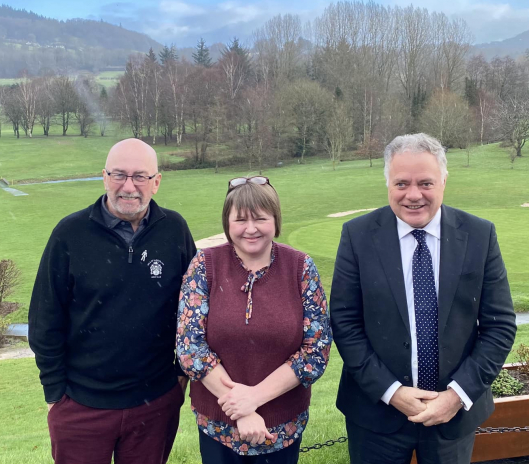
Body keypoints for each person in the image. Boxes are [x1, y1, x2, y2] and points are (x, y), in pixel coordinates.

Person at [330, 133, 517, 464]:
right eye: (401, 183)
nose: (413, 195)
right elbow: (345, 324)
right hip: (376, 416)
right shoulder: (357, 237)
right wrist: (392, 392)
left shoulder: (479, 236)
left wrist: (456, 397)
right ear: (388, 183)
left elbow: (499, 325)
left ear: (444, 181)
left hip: (452, 418)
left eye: (425, 183)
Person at [28, 138, 196, 464]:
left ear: (156, 182)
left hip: (155, 403)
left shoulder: (174, 230)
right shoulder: (69, 234)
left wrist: (180, 376)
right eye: (119, 175)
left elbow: (194, 311)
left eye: (140, 177)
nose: (128, 186)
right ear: (104, 177)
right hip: (81, 405)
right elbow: (44, 320)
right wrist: (55, 395)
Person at [176, 176, 332, 464]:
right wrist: (243, 411)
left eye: (260, 218)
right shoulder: (204, 265)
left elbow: (316, 351)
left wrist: (255, 398)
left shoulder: (300, 267)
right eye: (240, 220)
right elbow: (190, 348)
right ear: (227, 223)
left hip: (283, 426)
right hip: (217, 427)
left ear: (275, 219)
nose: (251, 229)